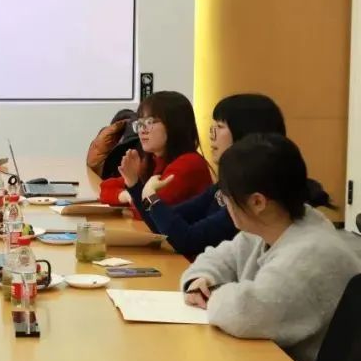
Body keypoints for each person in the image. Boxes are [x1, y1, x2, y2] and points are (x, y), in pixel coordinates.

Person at [181, 134, 360, 361]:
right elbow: (219, 257)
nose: (225, 204)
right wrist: (199, 279)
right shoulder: (268, 228)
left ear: (257, 202)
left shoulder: (310, 254)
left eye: (225, 198)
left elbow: (246, 314)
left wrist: (212, 293)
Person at [132, 94, 332, 258]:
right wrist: (138, 189)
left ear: (244, 133)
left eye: (219, 127)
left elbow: (188, 240)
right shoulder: (227, 184)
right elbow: (166, 224)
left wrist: (151, 197)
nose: (211, 135)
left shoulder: (254, 194)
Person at [99, 91, 212, 207]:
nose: (142, 130)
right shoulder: (153, 161)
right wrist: (127, 195)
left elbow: (149, 209)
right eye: (140, 123)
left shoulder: (188, 164)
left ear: (174, 124)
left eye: (150, 122)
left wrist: (133, 186)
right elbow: (105, 189)